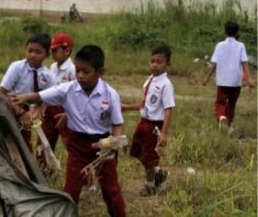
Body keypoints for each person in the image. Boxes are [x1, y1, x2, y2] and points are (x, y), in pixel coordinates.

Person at [11, 45, 126, 216]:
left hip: (103, 146)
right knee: (71, 190)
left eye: (85, 71)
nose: (79, 75)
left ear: (100, 72)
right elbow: (42, 96)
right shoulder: (68, 89)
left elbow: (117, 123)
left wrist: (113, 144)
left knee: (111, 190)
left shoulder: (110, 94)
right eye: (78, 70)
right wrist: (23, 97)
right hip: (78, 145)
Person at [122, 45, 175, 196]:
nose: (155, 65)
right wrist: (127, 107)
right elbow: (145, 103)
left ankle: (150, 185)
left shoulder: (166, 84)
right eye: (152, 61)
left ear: (168, 65)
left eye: (159, 62)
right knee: (137, 151)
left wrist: (164, 134)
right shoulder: (150, 80)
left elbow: (168, 109)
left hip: (154, 126)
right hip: (143, 122)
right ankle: (159, 172)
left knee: (149, 157)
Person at [0, 33, 53, 148]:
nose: (32, 55)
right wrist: (20, 112)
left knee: (24, 144)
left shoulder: (47, 75)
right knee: (5, 142)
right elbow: (2, 93)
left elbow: (44, 99)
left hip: (27, 112)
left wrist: (36, 111)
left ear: (47, 55)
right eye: (30, 51)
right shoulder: (17, 68)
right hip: (10, 107)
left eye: (38, 52)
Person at [202, 21, 255, 133]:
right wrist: (249, 78)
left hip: (223, 80)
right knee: (231, 103)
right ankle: (229, 125)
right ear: (237, 32)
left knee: (220, 102)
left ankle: (221, 117)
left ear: (224, 31)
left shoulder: (219, 45)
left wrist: (207, 77)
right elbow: (244, 62)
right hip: (236, 81)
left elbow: (214, 64)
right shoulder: (241, 46)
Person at [36, 33, 75, 162]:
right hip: (50, 108)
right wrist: (42, 105)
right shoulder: (52, 67)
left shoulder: (72, 69)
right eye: (51, 50)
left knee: (70, 142)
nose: (52, 53)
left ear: (67, 50)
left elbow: (76, 93)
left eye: (55, 50)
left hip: (65, 109)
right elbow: (48, 89)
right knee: (44, 140)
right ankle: (44, 169)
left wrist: (69, 112)